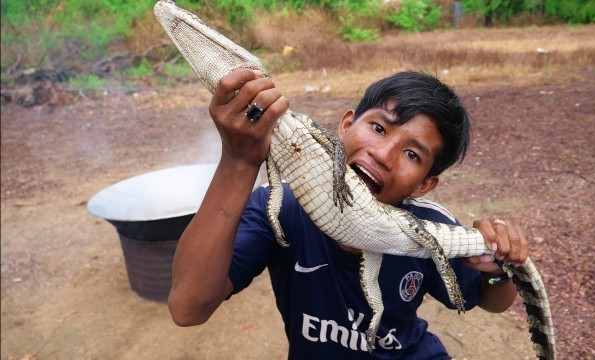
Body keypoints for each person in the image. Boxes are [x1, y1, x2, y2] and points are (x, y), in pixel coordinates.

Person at [167, 69, 528, 359]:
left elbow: (490, 301)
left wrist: (498, 271)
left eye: (412, 154)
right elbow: (188, 308)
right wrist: (239, 158)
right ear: (345, 125)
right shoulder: (279, 207)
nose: (384, 154)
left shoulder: (430, 230)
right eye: (378, 127)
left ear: (423, 185)